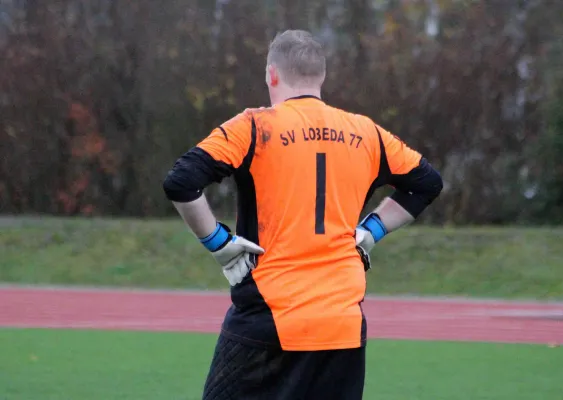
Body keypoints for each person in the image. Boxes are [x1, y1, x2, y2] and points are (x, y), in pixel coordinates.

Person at [163, 29, 443, 400]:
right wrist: (371, 231)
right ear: (322, 76)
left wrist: (219, 243)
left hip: (269, 316)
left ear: (271, 75)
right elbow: (427, 183)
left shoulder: (254, 126)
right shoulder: (367, 132)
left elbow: (181, 181)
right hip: (341, 325)